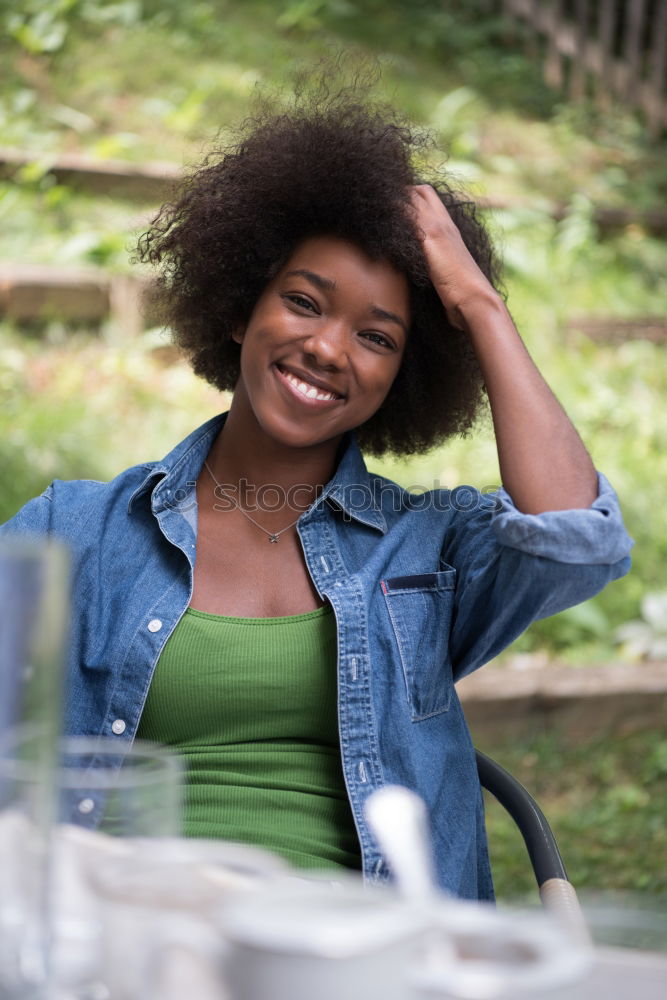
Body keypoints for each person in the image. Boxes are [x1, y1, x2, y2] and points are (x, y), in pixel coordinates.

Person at [1, 87, 632, 900]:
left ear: (403, 375)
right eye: (303, 302)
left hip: (355, 952)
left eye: (376, 337)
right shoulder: (79, 529)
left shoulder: (426, 549)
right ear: (239, 311)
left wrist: (477, 303)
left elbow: (576, 537)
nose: (328, 348)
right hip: (131, 938)